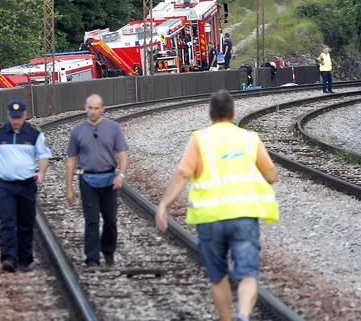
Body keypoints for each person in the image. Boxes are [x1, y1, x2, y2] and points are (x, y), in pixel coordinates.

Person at [156, 90, 279, 321]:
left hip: (209, 217)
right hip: (244, 214)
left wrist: (163, 205)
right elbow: (271, 175)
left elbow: (183, 173)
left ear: (209, 114)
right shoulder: (249, 138)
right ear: (233, 114)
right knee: (248, 274)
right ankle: (243, 315)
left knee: (218, 276)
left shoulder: (199, 140)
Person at [0, 99, 52, 273]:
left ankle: (25, 260)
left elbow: (44, 156)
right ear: (8, 116)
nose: (16, 121)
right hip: (4, 186)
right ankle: (8, 258)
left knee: (26, 223)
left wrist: (42, 172)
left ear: (25, 115)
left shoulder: (34, 133)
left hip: (27, 185)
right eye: (13, 117)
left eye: (19, 117)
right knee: (7, 221)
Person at [65, 94, 128, 271]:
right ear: (85, 108)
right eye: (90, 108)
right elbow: (71, 159)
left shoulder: (113, 128)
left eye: (96, 108)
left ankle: (108, 252)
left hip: (109, 179)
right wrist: (69, 188)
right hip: (88, 179)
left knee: (110, 220)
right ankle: (91, 259)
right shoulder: (77, 131)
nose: (93, 111)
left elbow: (122, 154)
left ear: (103, 109)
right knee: (91, 221)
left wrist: (120, 175)